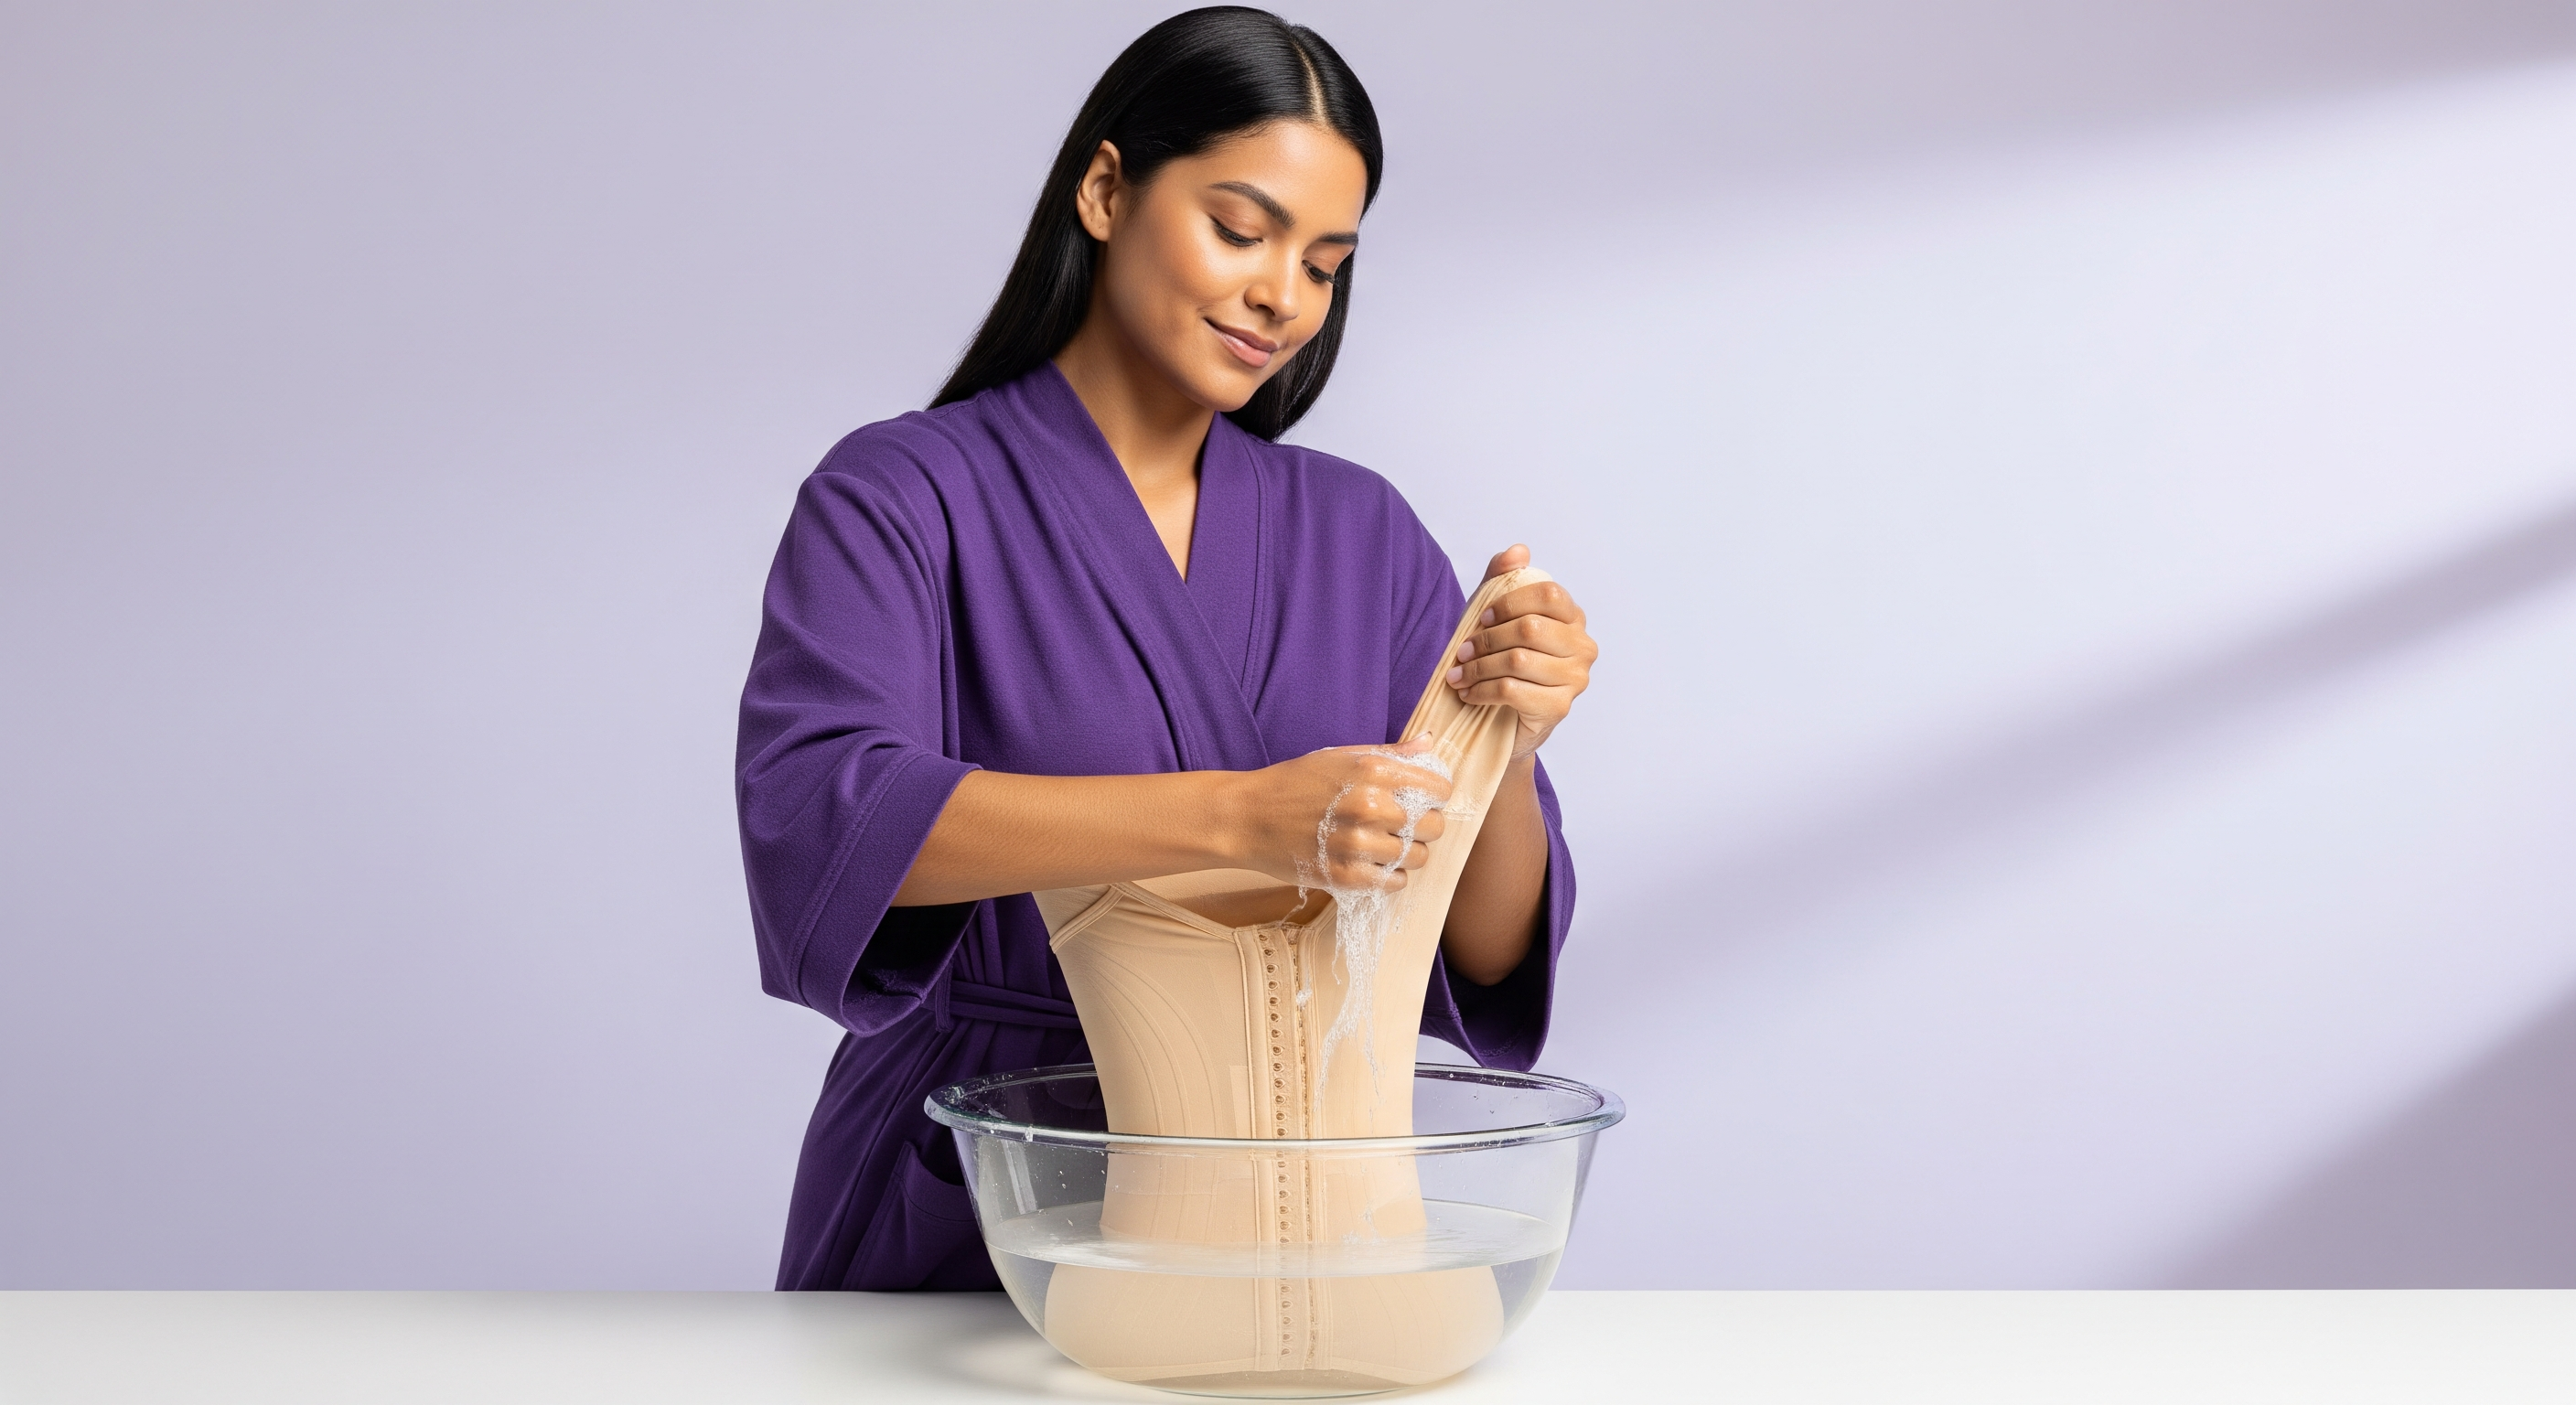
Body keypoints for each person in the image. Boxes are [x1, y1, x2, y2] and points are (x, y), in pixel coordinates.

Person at [735, 5, 1598, 1292]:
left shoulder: (1361, 530)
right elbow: (828, 816)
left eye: (1325, 263)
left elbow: (1480, 951)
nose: (1283, 297)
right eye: (1241, 230)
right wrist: (1241, 818)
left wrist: (1504, 743)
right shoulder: (899, 495)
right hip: (980, 1179)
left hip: (1292, 1197)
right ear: (1105, 190)